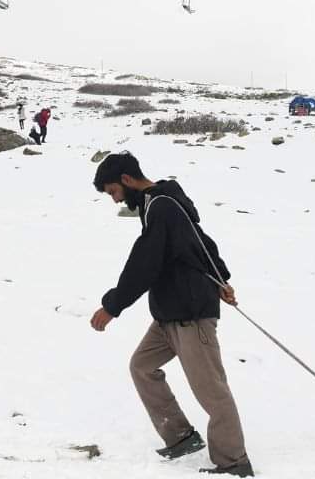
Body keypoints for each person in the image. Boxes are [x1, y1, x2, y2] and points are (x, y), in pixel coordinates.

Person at [90, 152, 253, 477]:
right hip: (169, 313)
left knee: (211, 391)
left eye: (113, 192)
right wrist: (222, 279)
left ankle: (233, 462)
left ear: (126, 180)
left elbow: (144, 264)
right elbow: (201, 242)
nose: (115, 200)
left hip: (190, 314)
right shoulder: (157, 204)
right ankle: (180, 436)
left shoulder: (162, 206)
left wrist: (112, 306)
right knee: (142, 366)